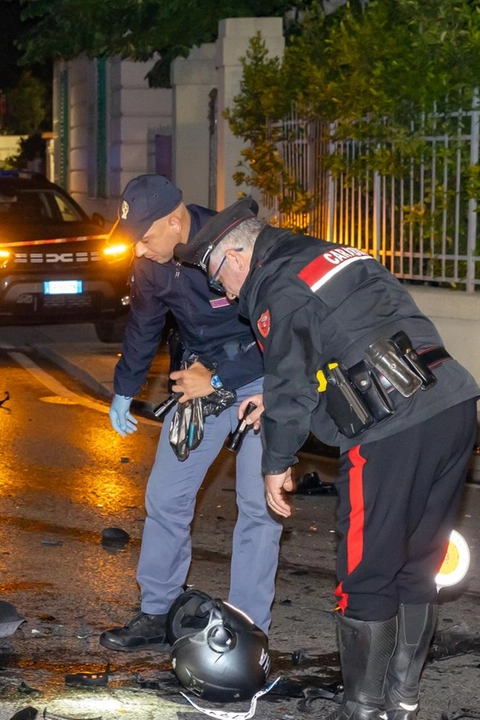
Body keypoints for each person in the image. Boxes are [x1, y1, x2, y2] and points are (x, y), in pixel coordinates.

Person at [178, 205, 479, 720]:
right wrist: (276, 397)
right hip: (452, 405)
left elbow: (293, 383)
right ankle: (401, 702)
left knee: (365, 572)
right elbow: (358, 331)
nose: (225, 294)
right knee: (418, 564)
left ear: (235, 254)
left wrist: (276, 461)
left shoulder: (277, 286)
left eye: (218, 276)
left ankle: (362, 709)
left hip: (392, 426)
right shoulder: (329, 255)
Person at [100, 175, 282, 651]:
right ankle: (157, 611)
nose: (138, 251)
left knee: (257, 506)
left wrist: (218, 375)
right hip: (198, 380)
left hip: (259, 375)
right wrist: (123, 388)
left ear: (174, 220)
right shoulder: (152, 265)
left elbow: (281, 335)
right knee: (166, 497)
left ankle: (247, 626)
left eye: (144, 238)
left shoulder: (235, 247)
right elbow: (143, 326)